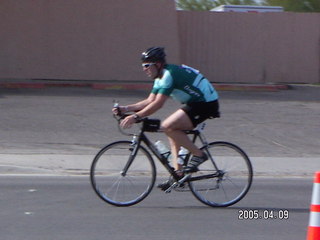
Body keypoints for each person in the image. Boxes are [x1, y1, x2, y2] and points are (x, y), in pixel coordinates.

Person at [113, 47, 220, 190]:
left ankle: (199, 154)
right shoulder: (160, 77)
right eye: (142, 66)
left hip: (206, 103)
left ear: (157, 64)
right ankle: (179, 174)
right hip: (194, 102)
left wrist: (136, 116)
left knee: (168, 126)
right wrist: (126, 109)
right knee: (172, 130)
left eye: (146, 65)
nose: (144, 69)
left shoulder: (168, 75)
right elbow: (150, 100)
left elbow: (158, 104)